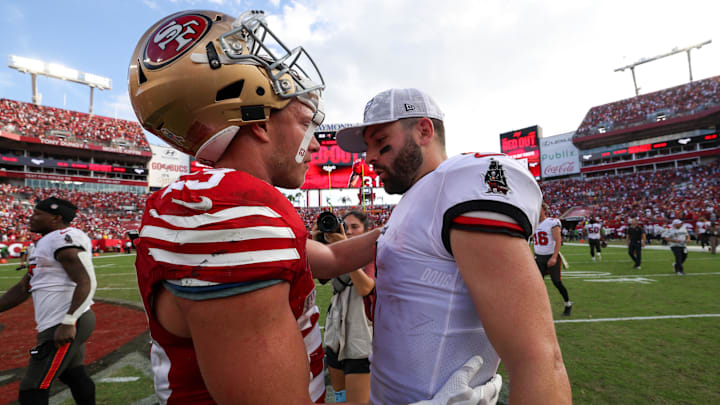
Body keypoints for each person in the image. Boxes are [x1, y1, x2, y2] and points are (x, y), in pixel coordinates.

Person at [129, 11, 489, 404]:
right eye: (305, 121)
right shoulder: (233, 211)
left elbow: (331, 256)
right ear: (260, 124)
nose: (316, 144)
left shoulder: (212, 200)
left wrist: (418, 216)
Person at [336, 88, 571, 404]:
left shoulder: (458, 182)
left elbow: (539, 359)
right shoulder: (411, 204)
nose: (370, 157)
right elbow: (329, 258)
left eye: (380, 141)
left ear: (423, 131)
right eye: (368, 146)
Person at [0, 197, 97, 405]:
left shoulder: (63, 238)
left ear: (56, 218)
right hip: (60, 319)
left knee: (32, 386)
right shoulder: (45, 242)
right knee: (73, 374)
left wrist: (69, 321)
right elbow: (24, 287)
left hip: (64, 320)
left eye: (37, 214)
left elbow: (86, 281)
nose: (31, 218)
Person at [322, 211, 375, 403]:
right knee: (340, 399)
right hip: (335, 338)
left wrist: (346, 248)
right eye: (346, 226)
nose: (350, 231)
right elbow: (319, 275)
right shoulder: (337, 254)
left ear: (366, 231)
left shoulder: (371, 255)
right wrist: (317, 241)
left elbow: (365, 288)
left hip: (359, 342)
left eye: (355, 227)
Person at [533, 202, 572, 316]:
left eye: (539, 209)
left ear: (544, 210)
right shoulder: (533, 224)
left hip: (551, 256)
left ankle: (567, 303)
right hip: (538, 257)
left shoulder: (551, 222)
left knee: (557, 282)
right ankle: (538, 308)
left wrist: (554, 257)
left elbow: (558, 240)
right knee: (536, 283)